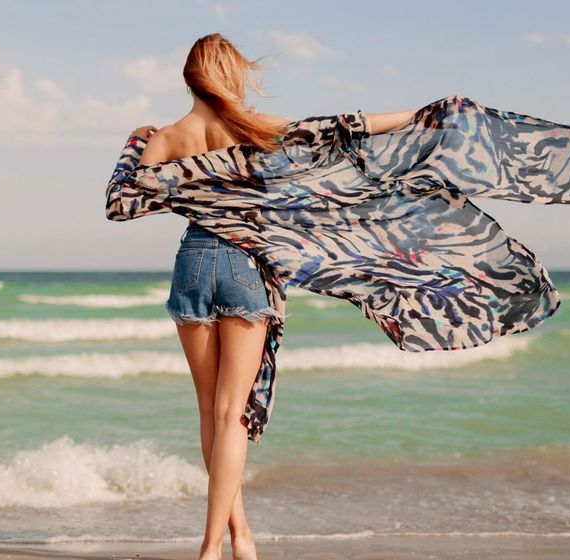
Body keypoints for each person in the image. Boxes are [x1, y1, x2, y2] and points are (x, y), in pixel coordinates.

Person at [122, 33, 421, 560]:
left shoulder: (166, 137)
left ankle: (241, 537)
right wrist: (418, 115)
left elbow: (121, 203)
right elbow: (344, 129)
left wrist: (134, 145)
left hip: (192, 263)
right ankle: (212, 547)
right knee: (231, 412)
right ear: (229, 75)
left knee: (208, 412)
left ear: (189, 78)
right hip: (244, 265)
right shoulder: (257, 131)